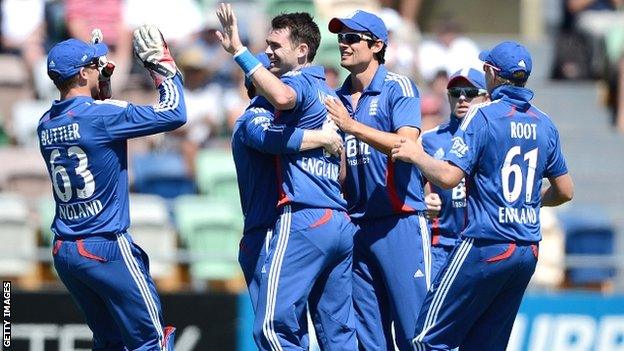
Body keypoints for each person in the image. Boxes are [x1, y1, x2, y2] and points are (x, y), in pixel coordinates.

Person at [391, 41, 575, 351]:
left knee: (426, 340)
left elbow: (449, 177)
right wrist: (527, 203)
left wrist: (415, 154)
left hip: (485, 244)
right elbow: (565, 191)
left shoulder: (483, 116)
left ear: (490, 72)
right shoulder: (546, 123)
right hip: (527, 250)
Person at [216, 4, 358, 350]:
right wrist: (322, 139)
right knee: (335, 334)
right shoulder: (331, 97)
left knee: (272, 327)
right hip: (336, 219)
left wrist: (239, 50)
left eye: (275, 47)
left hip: (287, 224)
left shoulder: (264, 110)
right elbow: (341, 167)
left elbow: (276, 115)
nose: (268, 54)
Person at [38, 26, 185, 350]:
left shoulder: (46, 122)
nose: (100, 67)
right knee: (151, 341)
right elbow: (174, 112)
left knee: (110, 342)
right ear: (81, 73)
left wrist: (98, 83)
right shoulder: (102, 116)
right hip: (105, 245)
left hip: (66, 249)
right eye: (94, 65)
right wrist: (161, 66)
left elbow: (87, 124)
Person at [325, 10, 430, 350]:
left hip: (400, 223)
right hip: (357, 226)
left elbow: (407, 145)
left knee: (416, 332)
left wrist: (352, 126)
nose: (344, 44)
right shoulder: (338, 98)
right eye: (341, 38)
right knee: (370, 339)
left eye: (352, 38)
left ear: (377, 45)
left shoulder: (397, 87)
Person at [232, 52, 344, 310]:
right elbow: (269, 139)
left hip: (296, 229)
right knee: (276, 324)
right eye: (279, 80)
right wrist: (323, 138)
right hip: (266, 233)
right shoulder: (255, 116)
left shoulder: (292, 119)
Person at [420, 68, 489, 279]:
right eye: (455, 91)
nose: (461, 98)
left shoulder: (495, 136)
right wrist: (424, 200)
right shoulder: (429, 139)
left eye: (469, 92)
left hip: (482, 245)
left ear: (485, 97)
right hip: (442, 244)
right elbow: (412, 186)